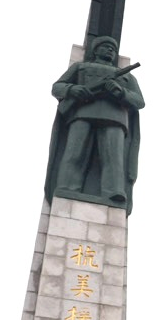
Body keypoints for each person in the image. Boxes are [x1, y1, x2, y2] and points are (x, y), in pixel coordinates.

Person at [47, 35, 144, 209]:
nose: (110, 50)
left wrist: (120, 92)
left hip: (114, 118)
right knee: (75, 153)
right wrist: (74, 89)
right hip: (82, 114)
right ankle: (67, 186)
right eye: (106, 47)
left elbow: (139, 102)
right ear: (95, 50)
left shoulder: (127, 77)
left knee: (113, 157)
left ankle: (113, 191)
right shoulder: (81, 67)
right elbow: (57, 87)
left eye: (113, 49)